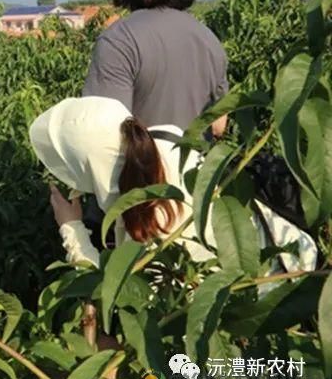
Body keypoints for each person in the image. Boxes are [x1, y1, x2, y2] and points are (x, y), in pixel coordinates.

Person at [29, 96, 317, 284]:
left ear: (90, 166)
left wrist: (72, 228)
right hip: (298, 260)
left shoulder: (148, 216)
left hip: (264, 303)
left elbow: (127, 298)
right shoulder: (167, 143)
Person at [82, 0, 229, 138]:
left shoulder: (119, 41)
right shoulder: (208, 39)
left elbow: (105, 133)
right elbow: (218, 125)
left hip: (140, 171)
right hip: (198, 170)